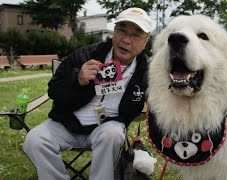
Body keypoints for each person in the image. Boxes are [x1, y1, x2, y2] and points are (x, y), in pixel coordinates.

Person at [23, 7, 152, 180]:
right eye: (122, 31)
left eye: (136, 35)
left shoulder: (148, 72)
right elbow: (54, 89)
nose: (126, 40)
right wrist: (78, 80)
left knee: (112, 135)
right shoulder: (85, 55)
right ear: (114, 32)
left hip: (108, 127)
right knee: (35, 139)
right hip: (67, 123)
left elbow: (159, 104)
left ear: (146, 41)